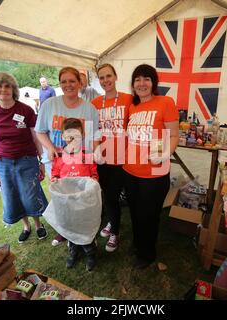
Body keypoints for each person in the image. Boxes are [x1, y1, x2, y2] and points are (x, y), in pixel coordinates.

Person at [35, 66, 101, 247]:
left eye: (72, 81)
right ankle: (63, 231)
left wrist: (94, 154)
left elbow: (95, 135)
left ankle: (86, 231)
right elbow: (40, 131)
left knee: (82, 199)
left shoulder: (89, 109)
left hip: (82, 162)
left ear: (80, 83)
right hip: (58, 162)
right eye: (63, 81)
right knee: (61, 198)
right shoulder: (50, 105)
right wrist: (49, 147)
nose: (68, 85)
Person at [122, 64, 179, 269]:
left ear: (153, 82)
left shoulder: (165, 102)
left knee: (149, 215)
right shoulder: (133, 106)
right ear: (133, 84)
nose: (142, 83)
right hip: (130, 171)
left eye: (146, 79)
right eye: (137, 79)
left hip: (154, 174)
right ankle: (138, 244)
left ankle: (147, 253)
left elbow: (173, 135)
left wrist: (165, 153)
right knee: (135, 213)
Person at [0, 72, 48, 243]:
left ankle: (38, 225)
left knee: (30, 194)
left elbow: (35, 137)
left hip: (27, 160)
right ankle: (25, 226)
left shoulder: (25, 110)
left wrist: (41, 161)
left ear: (13, 89)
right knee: (12, 195)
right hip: (4, 162)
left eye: (7, 86)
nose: (3, 89)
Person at [91, 63, 132, 252]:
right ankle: (111, 222)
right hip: (103, 158)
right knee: (107, 195)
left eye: (109, 76)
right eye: (102, 77)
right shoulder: (95, 103)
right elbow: (94, 130)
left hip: (122, 158)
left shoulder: (129, 99)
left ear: (115, 77)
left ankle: (115, 231)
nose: (106, 80)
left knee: (113, 196)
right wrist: (97, 149)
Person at [50, 118, 99, 271]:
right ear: (63, 136)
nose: (72, 140)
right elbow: (55, 174)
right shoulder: (59, 157)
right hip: (68, 201)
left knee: (84, 225)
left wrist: (93, 182)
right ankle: (73, 249)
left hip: (83, 200)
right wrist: (54, 179)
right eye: (69, 136)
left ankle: (90, 252)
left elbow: (94, 175)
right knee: (71, 225)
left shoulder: (87, 155)